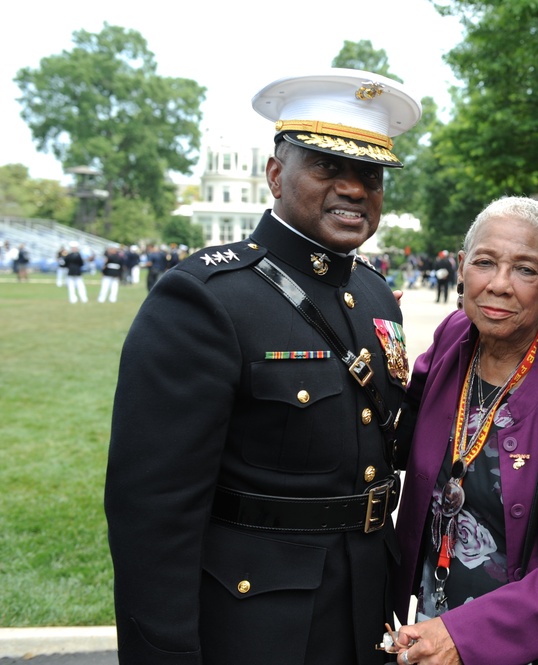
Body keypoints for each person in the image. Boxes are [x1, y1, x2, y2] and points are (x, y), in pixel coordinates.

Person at [104, 68, 422, 665]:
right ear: (276, 174)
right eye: (328, 166)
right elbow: (152, 515)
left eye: (370, 174)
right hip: (259, 627)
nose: (354, 188)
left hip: (366, 614)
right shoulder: (205, 298)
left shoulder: (377, 296)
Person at [390, 196, 538, 665]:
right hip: (432, 626)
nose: (499, 285)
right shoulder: (453, 338)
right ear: (461, 267)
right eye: (484, 263)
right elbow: (397, 437)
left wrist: (463, 636)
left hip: (528, 644)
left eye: (525, 270)